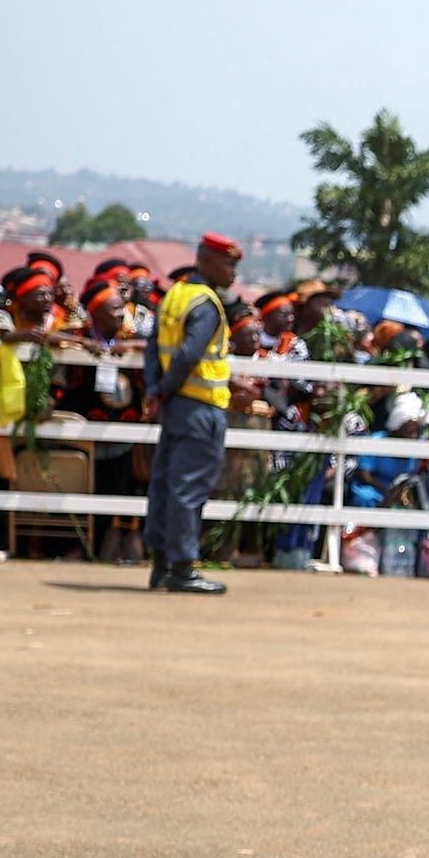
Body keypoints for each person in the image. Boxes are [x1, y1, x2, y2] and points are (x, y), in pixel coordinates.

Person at [144, 232, 244, 594]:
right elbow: (188, 354)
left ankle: (161, 566)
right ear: (205, 261)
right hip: (200, 407)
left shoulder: (175, 295)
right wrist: (166, 389)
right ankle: (183, 569)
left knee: (164, 487)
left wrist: (155, 389)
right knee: (188, 490)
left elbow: (153, 347)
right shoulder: (206, 303)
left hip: (175, 406)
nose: (233, 272)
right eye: (227, 264)